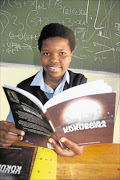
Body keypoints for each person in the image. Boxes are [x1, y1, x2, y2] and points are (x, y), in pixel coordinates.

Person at [0, 23, 87, 157]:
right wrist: (6, 136)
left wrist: (81, 145)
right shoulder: (24, 89)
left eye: (62, 53)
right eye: (47, 53)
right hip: (35, 154)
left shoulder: (80, 83)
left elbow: (88, 129)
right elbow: (11, 130)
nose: (54, 60)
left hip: (70, 159)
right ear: (40, 53)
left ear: (71, 55)